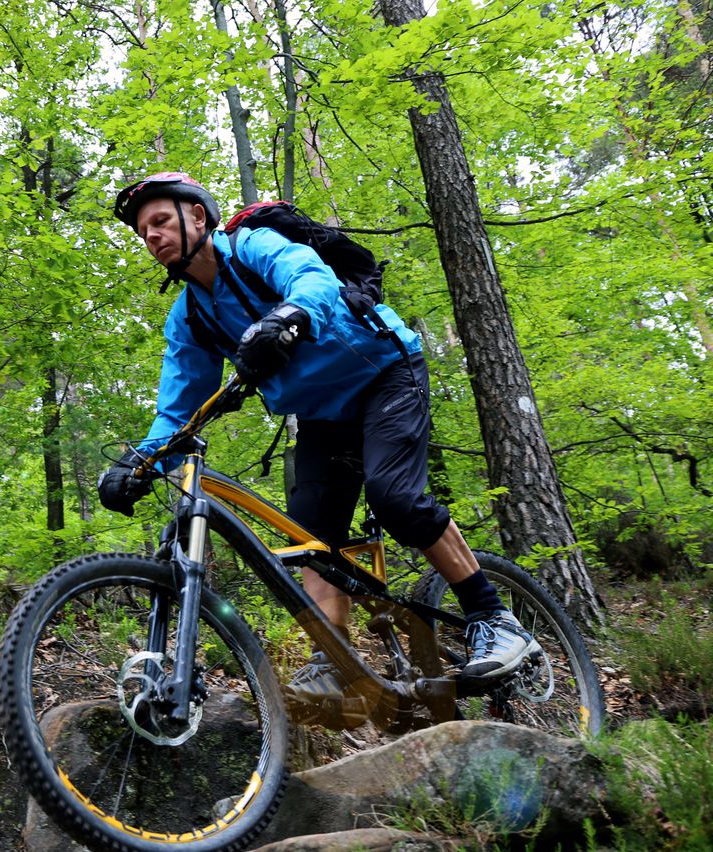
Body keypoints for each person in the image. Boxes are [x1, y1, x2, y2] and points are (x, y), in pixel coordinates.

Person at [97, 172, 541, 721]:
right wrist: (140, 461)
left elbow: (312, 278)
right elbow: (177, 408)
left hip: (385, 375)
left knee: (395, 497)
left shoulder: (252, 246)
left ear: (197, 216)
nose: (152, 238)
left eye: (160, 221)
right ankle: (332, 663)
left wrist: (287, 316)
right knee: (310, 537)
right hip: (322, 415)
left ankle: (495, 619)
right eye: (143, 233)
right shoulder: (189, 315)